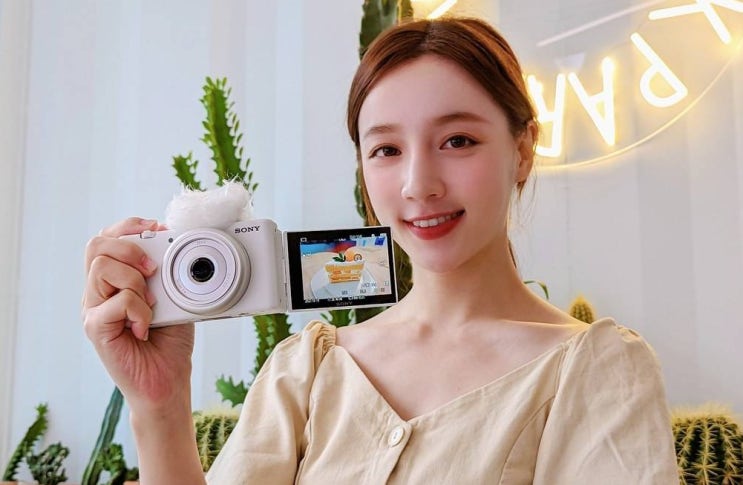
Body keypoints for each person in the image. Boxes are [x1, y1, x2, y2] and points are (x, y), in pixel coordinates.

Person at [82, 17, 679, 484]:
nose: (419, 184)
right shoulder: (307, 370)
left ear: (522, 150)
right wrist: (158, 406)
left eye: (458, 140)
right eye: (386, 150)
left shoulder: (596, 371)